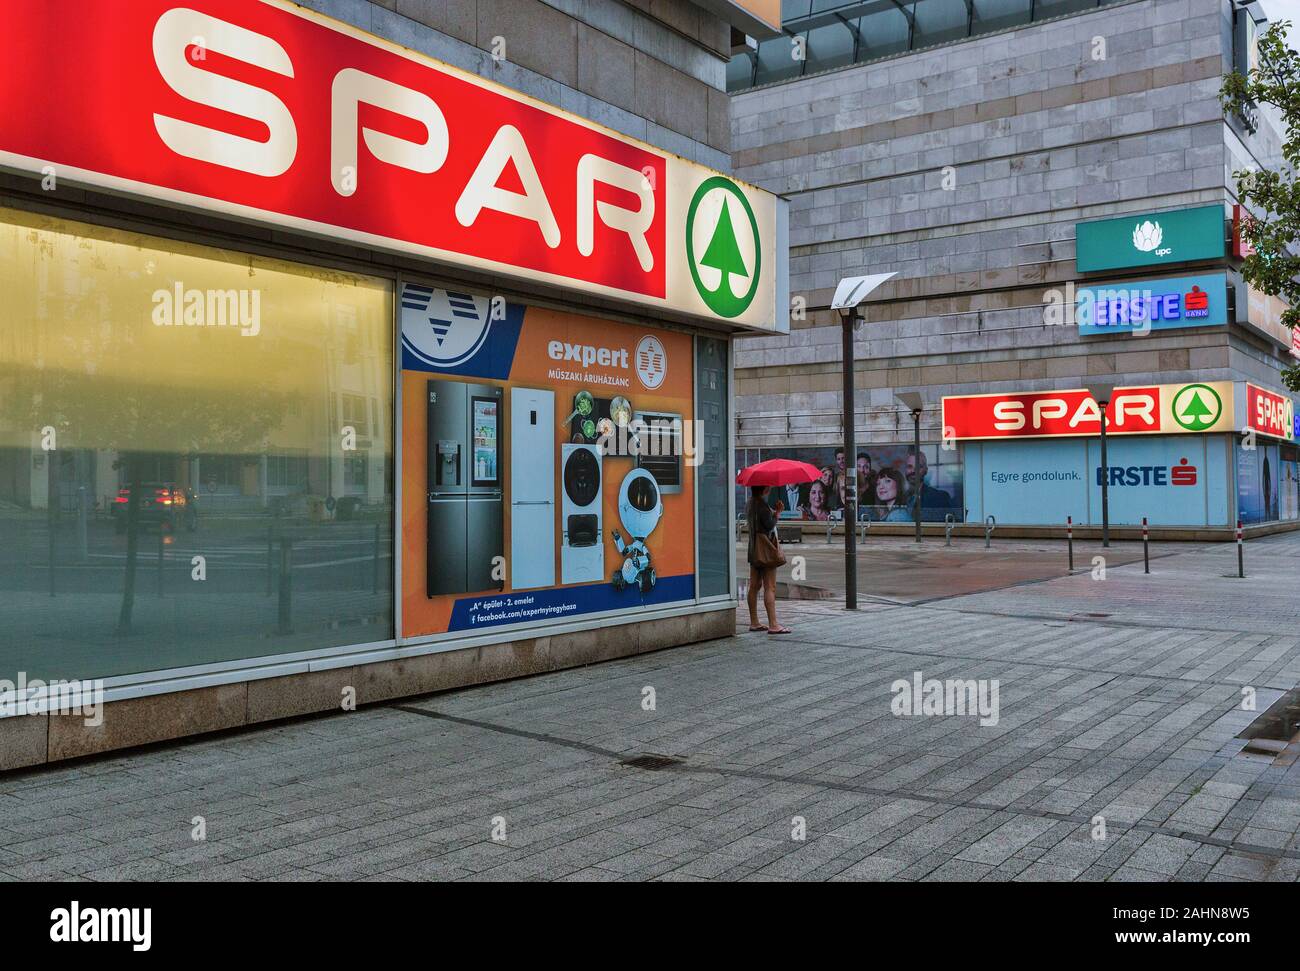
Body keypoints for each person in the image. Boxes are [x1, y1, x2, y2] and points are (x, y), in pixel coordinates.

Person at [746, 485, 789, 634]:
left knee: (754, 586)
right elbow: (769, 525)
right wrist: (777, 513)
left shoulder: (750, 503)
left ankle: (754, 622)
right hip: (765, 550)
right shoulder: (762, 505)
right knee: (769, 587)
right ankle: (773, 624)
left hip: (754, 550)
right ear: (765, 489)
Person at [904, 448, 952, 521]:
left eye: (918, 467)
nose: (913, 471)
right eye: (909, 466)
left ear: (926, 470)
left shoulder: (939, 498)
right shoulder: (900, 497)